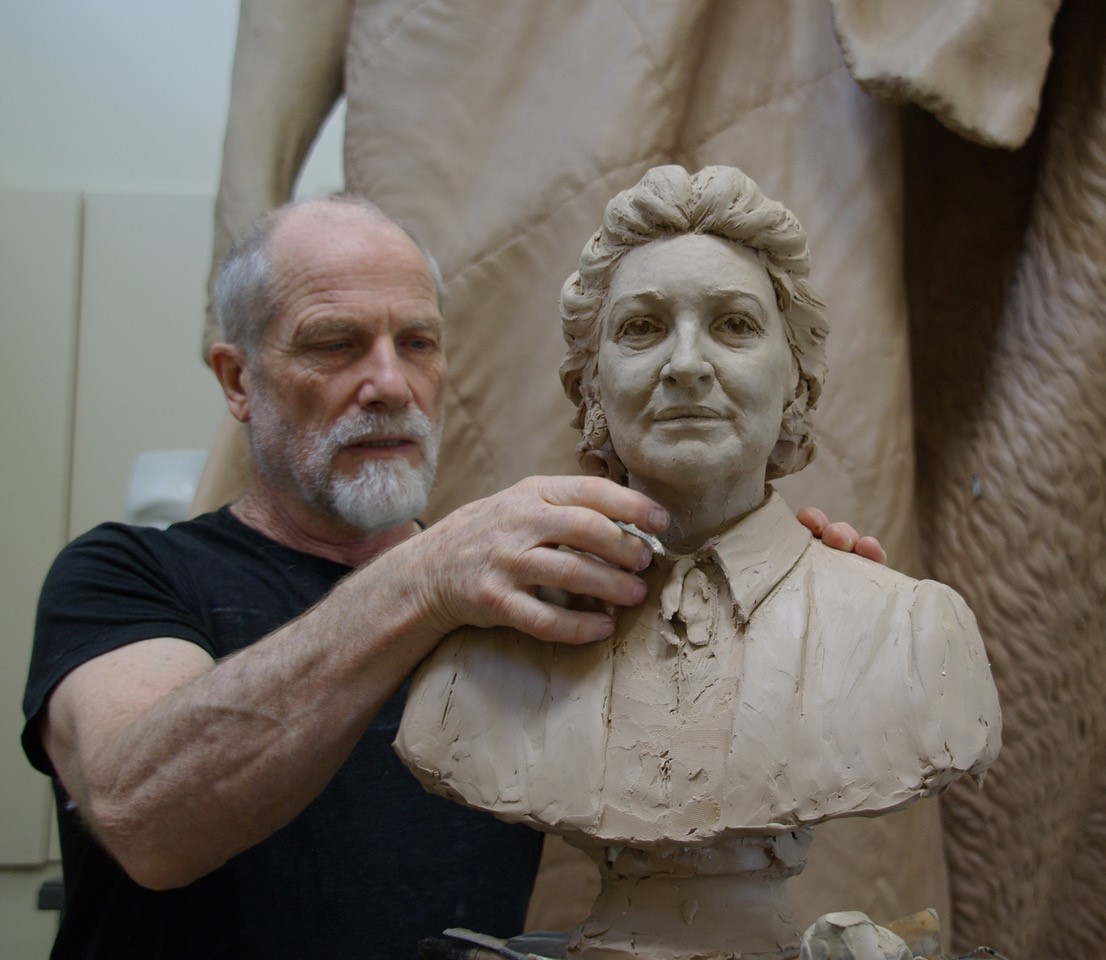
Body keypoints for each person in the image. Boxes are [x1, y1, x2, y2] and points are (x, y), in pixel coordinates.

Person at [22, 195, 883, 960]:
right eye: (335, 345)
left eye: (419, 343)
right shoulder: (123, 575)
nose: (390, 384)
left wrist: (789, 621)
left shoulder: (530, 601)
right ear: (238, 379)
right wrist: (423, 581)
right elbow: (145, 817)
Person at [396, 167, 1000, 956]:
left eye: (734, 325)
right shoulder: (486, 648)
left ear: (797, 382)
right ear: (593, 386)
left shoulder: (916, 632)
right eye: (642, 328)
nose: (686, 363)